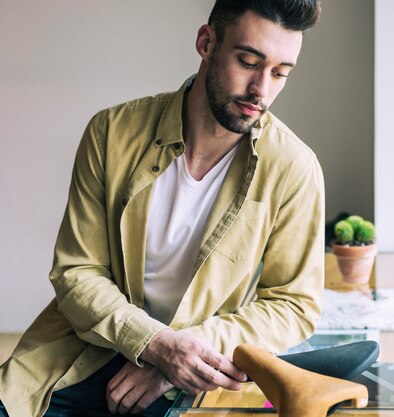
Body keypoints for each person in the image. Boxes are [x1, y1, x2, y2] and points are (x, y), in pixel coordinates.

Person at [0, 0, 324, 416]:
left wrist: (179, 361)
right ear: (206, 43)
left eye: (280, 73)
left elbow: (292, 304)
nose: (262, 90)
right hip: (77, 352)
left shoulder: (294, 168)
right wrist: (156, 346)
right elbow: (77, 271)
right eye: (248, 62)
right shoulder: (111, 132)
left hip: (191, 376)